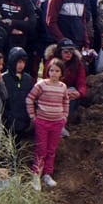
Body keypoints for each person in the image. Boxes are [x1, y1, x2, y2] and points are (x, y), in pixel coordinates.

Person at [26, 57, 73, 191]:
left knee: (51, 150)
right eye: (51, 70)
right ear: (47, 71)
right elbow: (30, 99)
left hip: (57, 122)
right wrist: (32, 116)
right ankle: (36, 175)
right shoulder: (41, 85)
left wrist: (64, 116)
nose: (53, 73)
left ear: (61, 73)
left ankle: (47, 174)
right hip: (42, 122)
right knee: (41, 149)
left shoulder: (63, 87)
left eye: (57, 71)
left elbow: (66, 102)